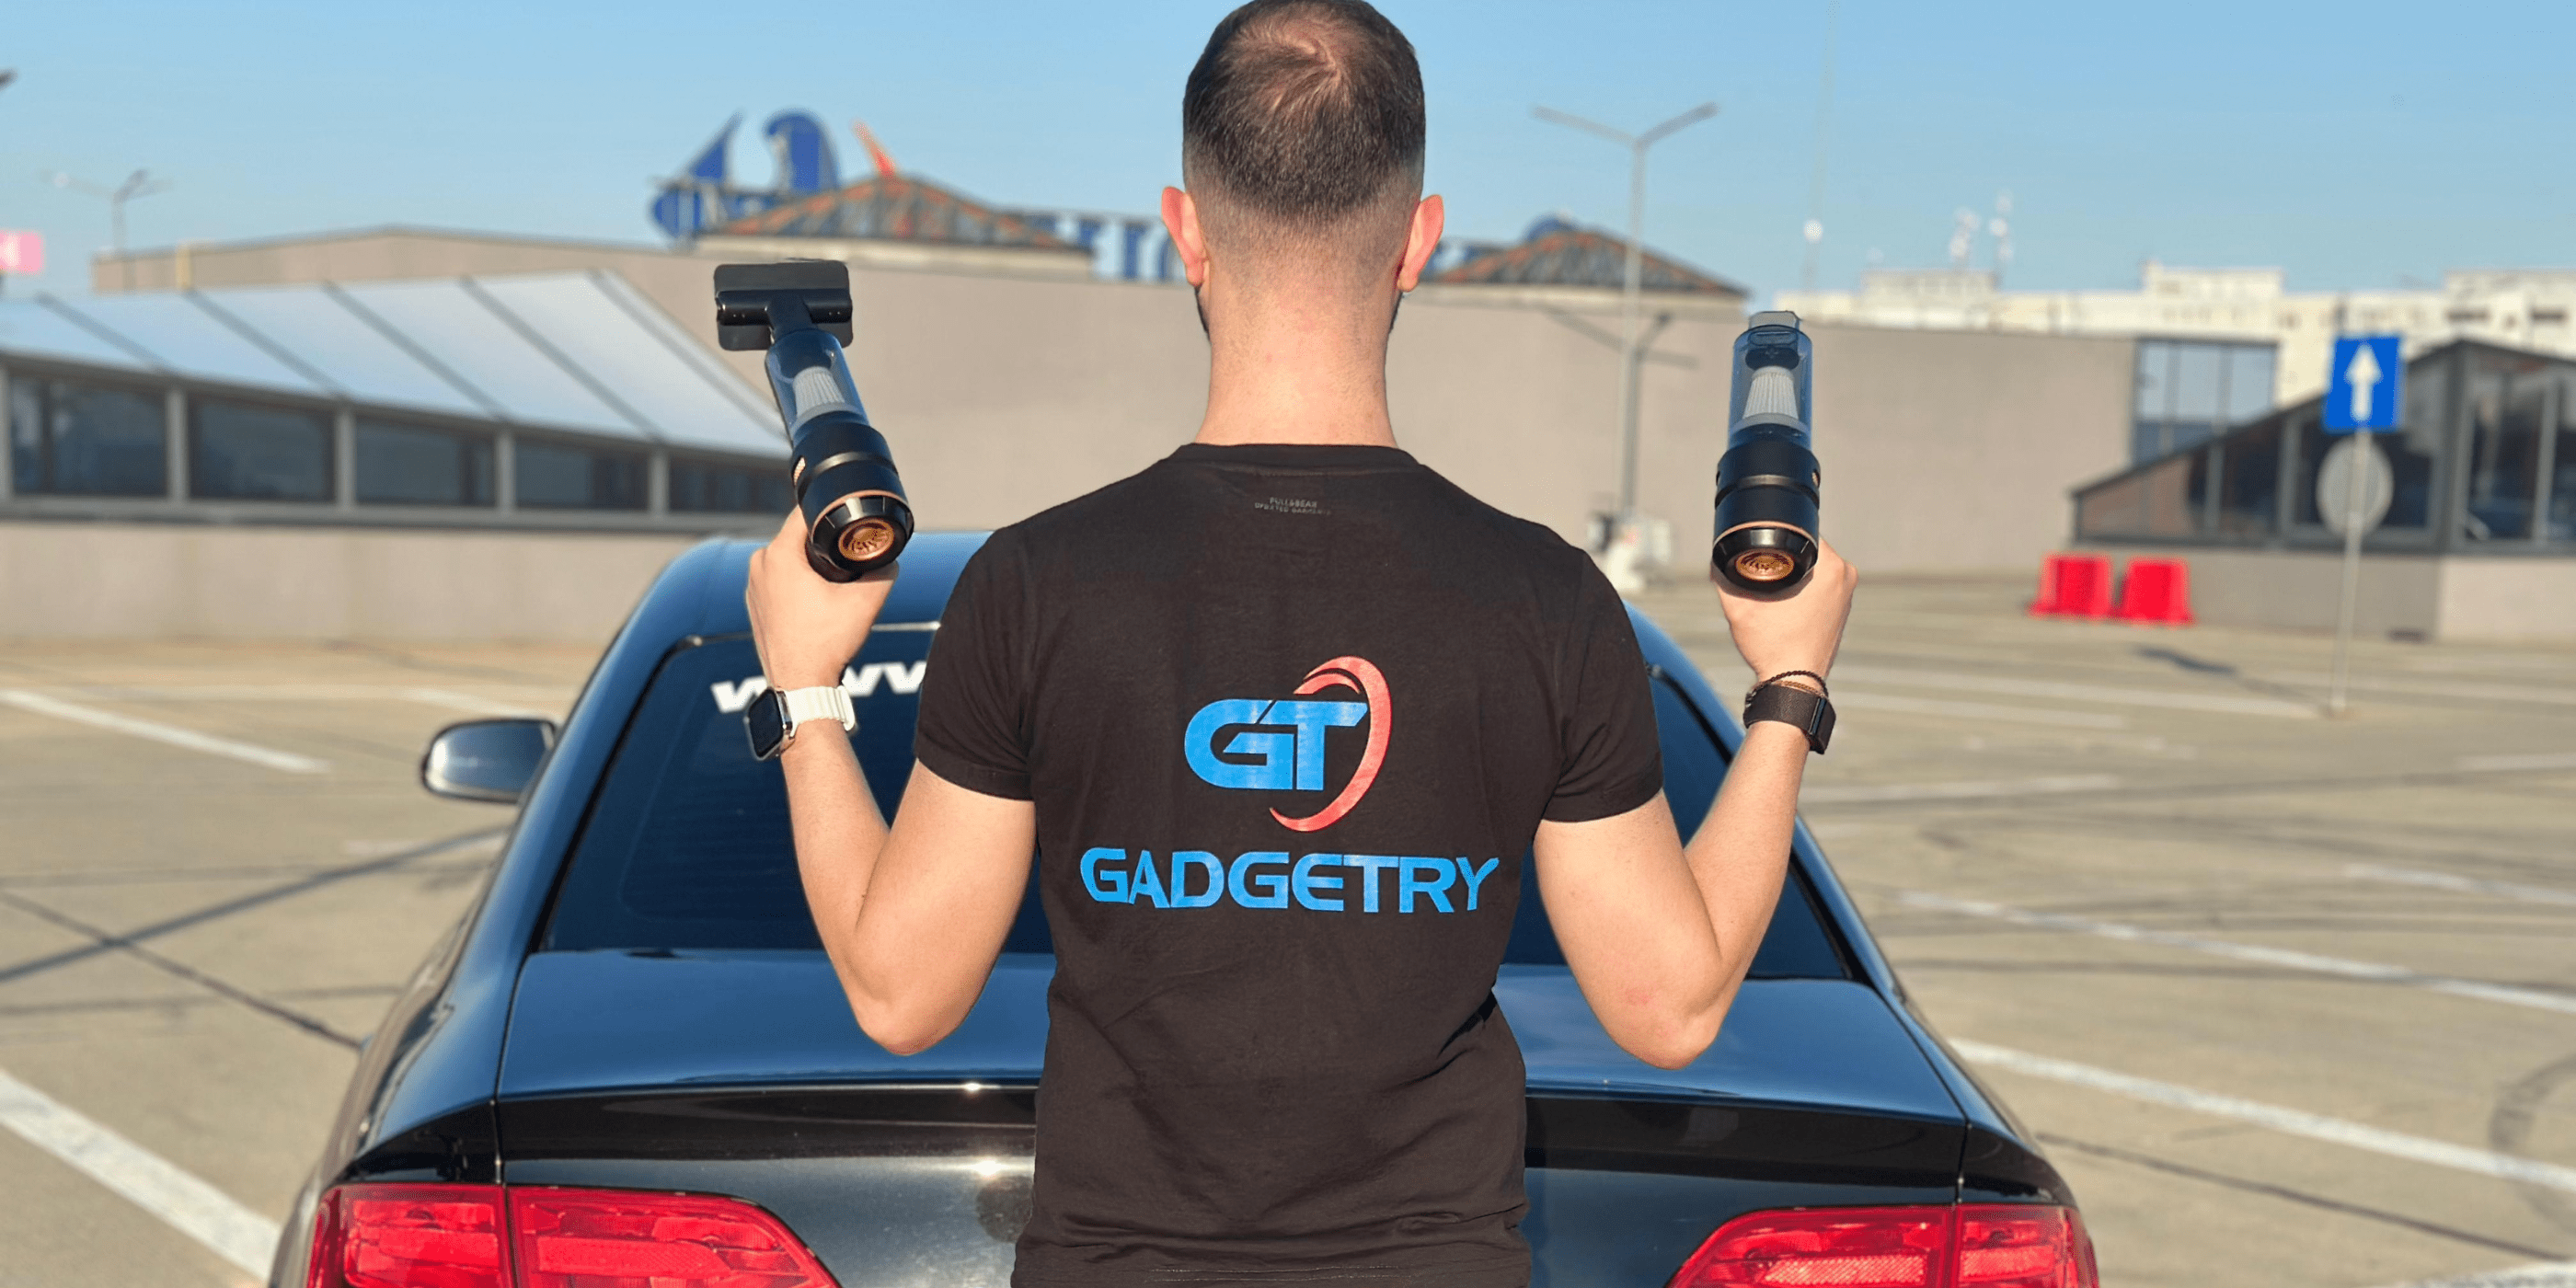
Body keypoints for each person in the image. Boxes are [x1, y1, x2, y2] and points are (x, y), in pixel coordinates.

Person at [743, 2, 1857, 1283]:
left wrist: (806, 691)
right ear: (1420, 240)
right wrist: (1788, 686)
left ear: (1186, 232)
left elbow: (902, 995)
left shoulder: (1035, 586)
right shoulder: (1546, 598)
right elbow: (1670, 1007)